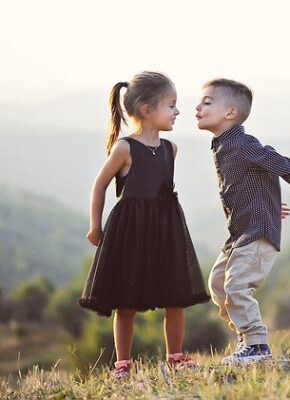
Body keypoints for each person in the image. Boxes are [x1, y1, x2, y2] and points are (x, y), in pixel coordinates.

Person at [195, 78, 290, 363]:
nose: (197, 107)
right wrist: (269, 205)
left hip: (257, 233)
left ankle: (257, 344)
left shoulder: (244, 144)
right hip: (240, 234)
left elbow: (282, 165)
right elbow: (249, 184)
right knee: (219, 285)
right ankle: (247, 339)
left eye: (207, 102)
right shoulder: (222, 146)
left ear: (230, 113)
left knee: (236, 286)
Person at [79, 71, 210, 378]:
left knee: (174, 295)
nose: (178, 112)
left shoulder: (170, 149)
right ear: (147, 110)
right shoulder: (125, 148)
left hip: (165, 231)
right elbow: (100, 186)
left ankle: (175, 356)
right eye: (171, 105)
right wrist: (94, 226)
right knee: (126, 301)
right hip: (130, 231)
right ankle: (123, 364)